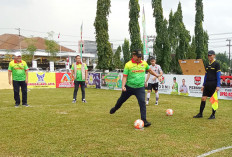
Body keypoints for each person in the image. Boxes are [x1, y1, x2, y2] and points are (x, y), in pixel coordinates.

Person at [110, 49, 159, 127]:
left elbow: (149, 70)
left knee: (142, 102)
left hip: (140, 88)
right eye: (138, 57)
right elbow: (125, 77)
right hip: (129, 87)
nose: (139, 58)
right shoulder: (128, 65)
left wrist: (156, 75)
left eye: (140, 57)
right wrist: (123, 86)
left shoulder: (144, 63)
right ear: (133, 56)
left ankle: (144, 120)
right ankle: (115, 108)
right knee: (121, 101)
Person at [193, 50, 221, 119]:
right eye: (208, 55)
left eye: (211, 55)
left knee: (213, 100)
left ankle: (213, 115)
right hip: (207, 84)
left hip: (213, 84)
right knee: (203, 98)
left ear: (214, 55)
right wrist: (203, 84)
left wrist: (218, 85)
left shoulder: (217, 64)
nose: (209, 56)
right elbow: (205, 75)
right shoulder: (207, 64)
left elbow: (218, 75)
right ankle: (200, 114)